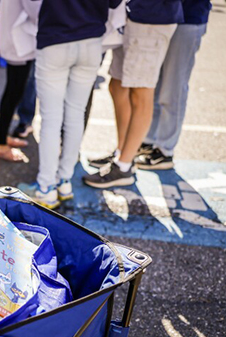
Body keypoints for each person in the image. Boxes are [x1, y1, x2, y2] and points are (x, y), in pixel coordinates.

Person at [18, 0, 121, 209]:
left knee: (51, 118)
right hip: (91, 39)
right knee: (75, 114)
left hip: (55, 38)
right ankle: (64, 181)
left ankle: (46, 187)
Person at [84, 0, 183, 188]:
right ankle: (122, 153)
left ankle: (124, 166)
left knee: (141, 91)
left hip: (151, 19)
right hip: (131, 16)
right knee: (117, 84)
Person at [135, 0, 211, 170]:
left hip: (187, 19)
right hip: (164, 18)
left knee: (173, 87)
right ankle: (148, 141)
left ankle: (165, 150)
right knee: (154, 85)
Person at [0, 0, 41, 163]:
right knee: (14, 92)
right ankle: (0, 142)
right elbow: (36, 11)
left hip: (17, 40)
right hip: (18, 42)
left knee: (14, 91)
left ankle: (2, 137)